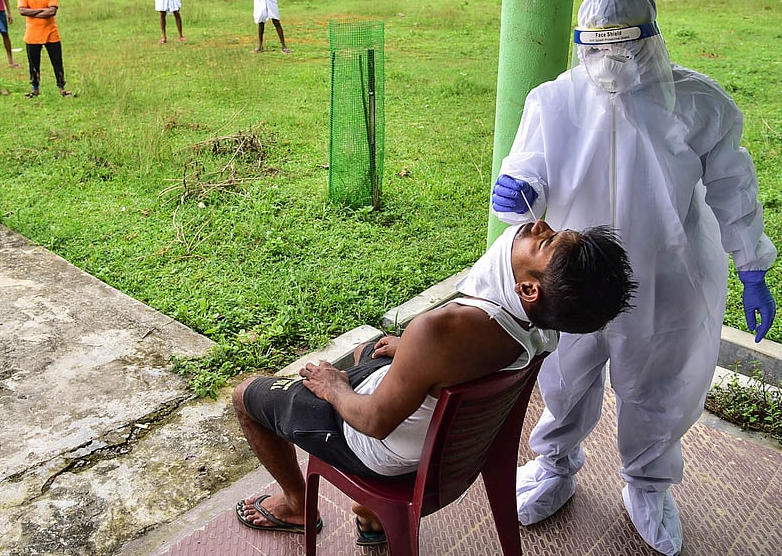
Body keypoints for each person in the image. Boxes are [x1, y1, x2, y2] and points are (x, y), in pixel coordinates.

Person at [490, 0, 777, 556]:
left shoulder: (699, 105)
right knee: (564, 378)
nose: (608, 62)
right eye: (595, 48)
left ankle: (647, 485)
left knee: (657, 387)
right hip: (573, 279)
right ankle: (554, 466)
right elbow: (529, 172)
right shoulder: (553, 101)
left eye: (621, 47)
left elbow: (733, 188)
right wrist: (519, 189)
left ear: (651, 40)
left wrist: (752, 266)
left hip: (664, 279)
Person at [233, 220, 637, 544]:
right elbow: (464, 354)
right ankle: (373, 518)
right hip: (449, 449)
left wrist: (333, 385)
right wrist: (413, 352)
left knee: (244, 397)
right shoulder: (544, 330)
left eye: (543, 242)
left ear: (528, 289)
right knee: (370, 350)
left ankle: (295, 504)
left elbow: (373, 422)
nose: (537, 226)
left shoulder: (439, 331)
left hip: (380, 446)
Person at [17, 0, 71, 98]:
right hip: (32, 35)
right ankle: (35, 89)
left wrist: (33, 11)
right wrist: (43, 10)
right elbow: (22, 11)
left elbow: (52, 12)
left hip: (51, 34)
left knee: (57, 62)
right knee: (33, 64)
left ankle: (62, 88)